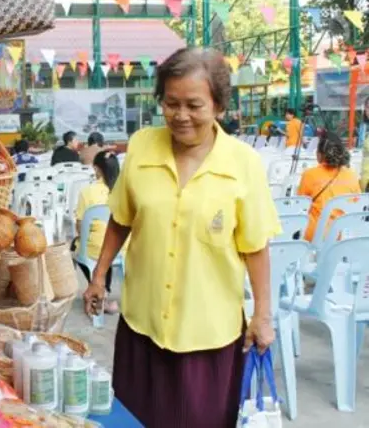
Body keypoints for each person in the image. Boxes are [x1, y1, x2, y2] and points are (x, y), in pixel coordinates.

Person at [83, 48, 279, 428]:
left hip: (208, 336)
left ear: (219, 106)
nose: (181, 115)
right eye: (171, 103)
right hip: (143, 325)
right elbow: (122, 217)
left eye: (194, 105)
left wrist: (262, 316)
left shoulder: (243, 164)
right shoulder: (142, 146)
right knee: (133, 419)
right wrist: (98, 276)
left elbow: (255, 247)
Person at [73, 150, 121, 313]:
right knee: (108, 245)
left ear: (96, 169)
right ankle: (104, 292)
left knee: (80, 247)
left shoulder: (87, 191)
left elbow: (80, 226)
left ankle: (100, 293)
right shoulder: (124, 190)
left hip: (93, 249)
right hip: (122, 249)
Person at [297, 132, 361, 242]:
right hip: (344, 238)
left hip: (316, 237)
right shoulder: (352, 176)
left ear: (319, 154)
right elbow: (357, 204)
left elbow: (300, 205)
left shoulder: (309, 175)